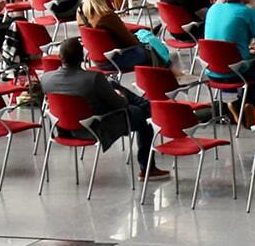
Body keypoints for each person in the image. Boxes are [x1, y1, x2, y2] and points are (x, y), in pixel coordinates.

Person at [43, 37, 169, 180]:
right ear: (83, 57)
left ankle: (152, 107)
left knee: (113, 85)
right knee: (141, 116)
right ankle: (148, 168)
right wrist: (121, 96)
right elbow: (120, 105)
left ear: (60, 57)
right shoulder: (93, 79)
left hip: (65, 129)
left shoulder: (46, 79)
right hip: (95, 128)